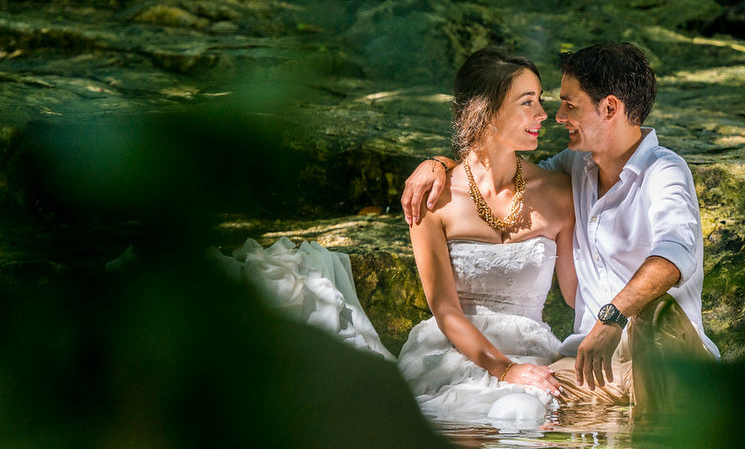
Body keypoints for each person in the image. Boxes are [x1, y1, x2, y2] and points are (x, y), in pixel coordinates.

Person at [217, 47, 576, 425]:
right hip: (453, 352)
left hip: (534, 353)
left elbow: (577, 293)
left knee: (523, 415)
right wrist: (503, 370)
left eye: (539, 101)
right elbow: (445, 309)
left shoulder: (558, 193)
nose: (543, 115)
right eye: (528, 102)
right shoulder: (432, 197)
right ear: (486, 112)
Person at [404, 42, 718, 413]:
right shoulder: (573, 168)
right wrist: (437, 163)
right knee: (521, 410)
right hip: (589, 364)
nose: (555, 116)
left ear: (610, 108)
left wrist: (612, 316)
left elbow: (674, 255)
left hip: (659, 347)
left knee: (654, 314)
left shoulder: (664, 172)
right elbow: (493, 171)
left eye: (569, 105)